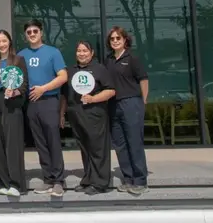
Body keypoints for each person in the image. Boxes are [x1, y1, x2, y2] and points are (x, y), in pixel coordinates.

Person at [18, 19, 68, 196]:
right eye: (29, 32)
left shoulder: (53, 52)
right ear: (25, 35)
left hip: (49, 101)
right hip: (31, 103)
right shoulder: (21, 55)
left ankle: (59, 181)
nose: (32, 34)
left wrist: (43, 89)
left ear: (41, 32)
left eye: (35, 31)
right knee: (40, 143)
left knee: (53, 141)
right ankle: (48, 179)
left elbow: (63, 76)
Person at [59, 41, 116, 195]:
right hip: (76, 114)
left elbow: (111, 91)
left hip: (94, 113)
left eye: (85, 51)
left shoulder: (99, 69)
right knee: (85, 148)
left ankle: (100, 183)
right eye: (79, 51)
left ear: (91, 53)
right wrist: (62, 113)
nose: (82, 53)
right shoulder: (71, 71)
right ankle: (88, 179)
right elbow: (64, 95)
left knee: (98, 148)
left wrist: (93, 98)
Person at [105, 26, 150, 195]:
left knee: (134, 142)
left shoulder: (132, 58)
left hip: (131, 103)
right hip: (113, 105)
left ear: (125, 40)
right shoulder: (108, 60)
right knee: (120, 144)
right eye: (112, 39)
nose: (115, 41)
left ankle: (140, 180)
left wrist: (143, 101)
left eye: (118, 38)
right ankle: (128, 178)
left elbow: (144, 80)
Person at [0, 29, 28, 197]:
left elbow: (24, 85)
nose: (1, 44)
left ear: (9, 42)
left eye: (4, 41)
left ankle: (17, 185)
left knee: (13, 144)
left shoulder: (18, 60)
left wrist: (15, 92)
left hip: (12, 102)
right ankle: (5, 183)